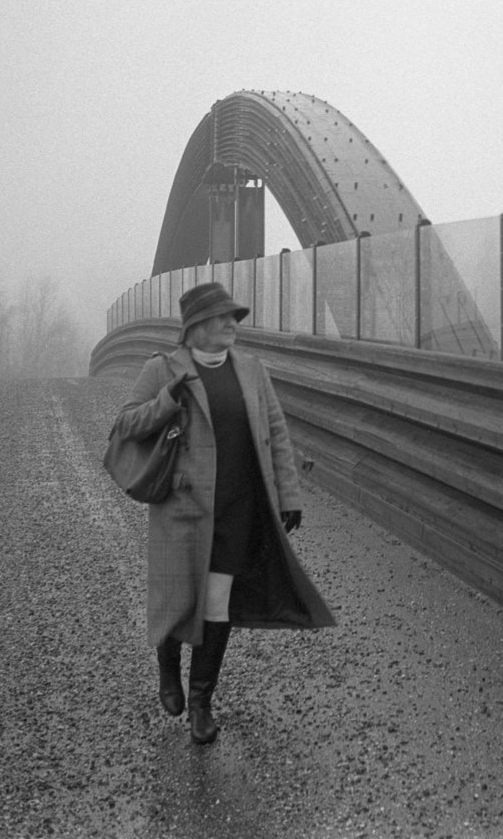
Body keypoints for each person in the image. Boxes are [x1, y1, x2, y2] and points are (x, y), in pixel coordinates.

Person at [111, 281, 335, 744]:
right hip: (181, 506)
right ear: (195, 326)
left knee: (217, 604)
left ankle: (201, 703)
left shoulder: (251, 370)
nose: (233, 323)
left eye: (234, 316)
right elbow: (126, 424)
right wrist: (167, 400)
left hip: (237, 506)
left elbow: (275, 432)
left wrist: (289, 495)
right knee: (176, 601)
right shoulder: (162, 368)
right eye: (222, 317)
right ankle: (168, 666)